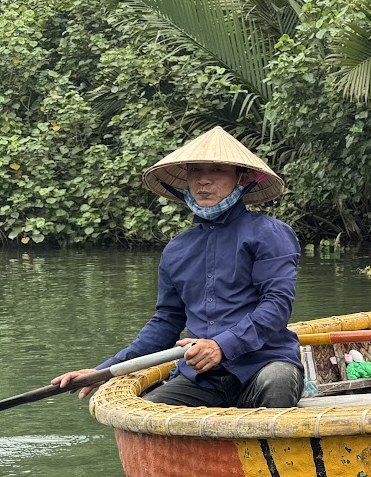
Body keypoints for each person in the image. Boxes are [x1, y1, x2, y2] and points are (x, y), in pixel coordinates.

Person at [52, 126, 304, 408]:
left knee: (279, 379)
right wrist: (105, 370)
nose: (204, 181)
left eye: (217, 170)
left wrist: (222, 345)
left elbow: (277, 305)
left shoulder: (269, 233)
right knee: (146, 414)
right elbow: (167, 321)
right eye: (195, 171)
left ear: (241, 177)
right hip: (201, 377)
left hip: (262, 365)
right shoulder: (176, 249)